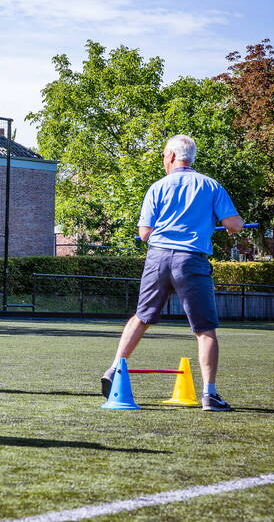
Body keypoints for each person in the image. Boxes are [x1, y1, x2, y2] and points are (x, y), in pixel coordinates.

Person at [101, 135, 244, 411]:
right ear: (191, 158)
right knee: (205, 330)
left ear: (170, 156)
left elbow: (144, 234)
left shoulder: (157, 187)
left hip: (158, 258)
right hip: (191, 259)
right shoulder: (210, 185)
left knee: (142, 317)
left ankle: (114, 369)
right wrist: (226, 225)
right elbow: (235, 224)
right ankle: (209, 395)